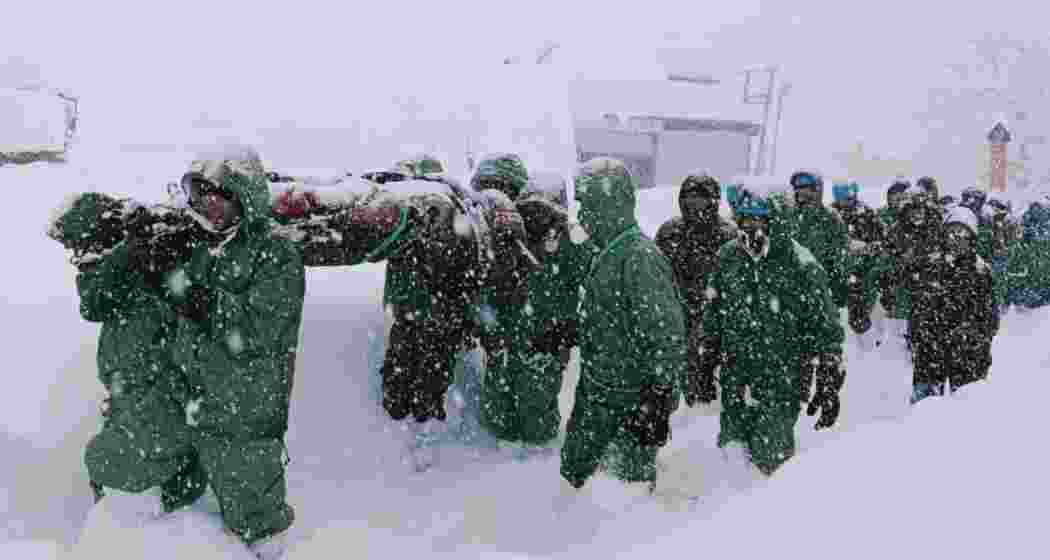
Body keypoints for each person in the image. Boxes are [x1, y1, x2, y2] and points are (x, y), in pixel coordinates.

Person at [79, 145, 305, 559]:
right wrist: (135, 253)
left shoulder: (276, 253)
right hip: (183, 397)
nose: (205, 207)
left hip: (244, 410)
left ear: (244, 198)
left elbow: (259, 330)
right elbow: (95, 302)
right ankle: (176, 484)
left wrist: (190, 291)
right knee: (115, 461)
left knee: (260, 529)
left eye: (216, 196)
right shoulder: (190, 239)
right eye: (197, 195)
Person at [689, 186, 845, 475]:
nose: (752, 228)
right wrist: (706, 357)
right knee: (732, 451)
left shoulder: (800, 262)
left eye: (761, 220)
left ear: (777, 220)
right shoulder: (728, 257)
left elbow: (826, 321)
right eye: (746, 220)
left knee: (769, 457)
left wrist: (829, 370)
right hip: (736, 375)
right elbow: (713, 310)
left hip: (783, 377)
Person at [559, 157, 687, 492]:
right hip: (597, 398)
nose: (582, 215)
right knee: (578, 483)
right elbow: (613, 316)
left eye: (589, 205)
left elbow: (666, 334)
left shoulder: (638, 257)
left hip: (628, 406)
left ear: (610, 204)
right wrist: (571, 330)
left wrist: (658, 398)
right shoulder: (606, 251)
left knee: (620, 498)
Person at [474, 154, 589, 456]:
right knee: (536, 406)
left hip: (510, 332)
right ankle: (532, 460)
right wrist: (571, 326)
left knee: (500, 400)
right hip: (540, 336)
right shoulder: (567, 235)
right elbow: (588, 281)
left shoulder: (501, 229)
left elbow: (485, 282)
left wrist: (488, 325)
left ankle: (503, 459)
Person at [655, 173, 735, 404]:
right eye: (690, 199)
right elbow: (657, 274)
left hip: (715, 315)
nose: (696, 206)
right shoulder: (669, 232)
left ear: (714, 201)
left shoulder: (728, 235)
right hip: (675, 313)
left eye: (703, 199)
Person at [908, 206, 998, 403]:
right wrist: (919, 336)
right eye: (952, 233)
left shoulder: (981, 272)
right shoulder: (930, 265)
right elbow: (916, 307)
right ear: (944, 234)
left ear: (972, 238)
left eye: (962, 234)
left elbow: (990, 318)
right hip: (930, 351)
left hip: (969, 354)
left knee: (968, 410)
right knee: (924, 412)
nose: (956, 239)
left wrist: (975, 340)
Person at [786, 170, 850, 310]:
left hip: (821, 289)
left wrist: (837, 287)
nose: (801, 192)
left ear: (817, 190)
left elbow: (841, 257)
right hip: (790, 286)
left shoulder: (830, 218)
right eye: (798, 188)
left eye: (806, 188)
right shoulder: (788, 217)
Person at [831, 182, 886, 334]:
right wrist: (843, 248)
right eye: (842, 196)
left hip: (863, 268)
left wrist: (867, 248)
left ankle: (863, 325)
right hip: (837, 269)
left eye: (850, 195)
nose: (847, 200)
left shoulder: (867, 214)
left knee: (863, 290)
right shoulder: (830, 215)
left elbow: (882, 241)